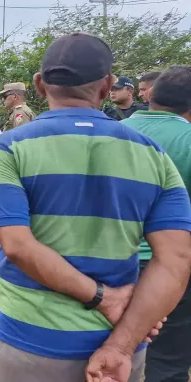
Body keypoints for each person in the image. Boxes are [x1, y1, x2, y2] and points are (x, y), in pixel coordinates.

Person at [0, 33, 191, 382]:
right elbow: (176, 259)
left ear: (39, 84)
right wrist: (122, 346)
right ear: (108, 85)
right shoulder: (153, 155)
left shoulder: (12, 147)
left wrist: (102, 297)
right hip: (117, 346)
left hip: (28, 345)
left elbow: (17, 245)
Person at [121, 65, 191, 382]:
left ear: (151, 95)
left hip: (113, 262)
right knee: (168, 361)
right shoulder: (188, 140)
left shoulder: (113, 132)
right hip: (172, 268)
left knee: (109, 352)